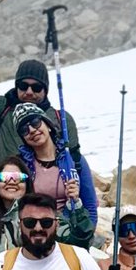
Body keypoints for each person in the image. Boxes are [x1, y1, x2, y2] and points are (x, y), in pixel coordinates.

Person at [0, 42, 99, 223]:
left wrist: (85, 223)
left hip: (60, 220)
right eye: (23, 86)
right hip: (5, 208)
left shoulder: (62, 119)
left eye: (36, 87)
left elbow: (76, 163)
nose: (29, 92)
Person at [15, 102, 94, 245]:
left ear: (48, 125)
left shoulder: (75, 159)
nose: (32, 130)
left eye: (35, 122)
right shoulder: (22, 166)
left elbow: (91, 206)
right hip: (38, 236)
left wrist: (86, 237)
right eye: (24, 130)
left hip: (73, 234)